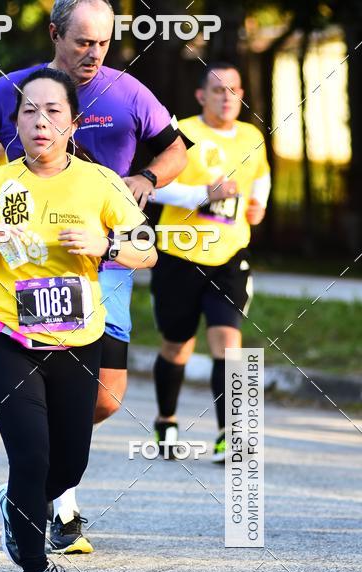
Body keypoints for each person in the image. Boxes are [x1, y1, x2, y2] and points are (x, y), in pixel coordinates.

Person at [0, 0, 188, 553]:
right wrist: (4, 185)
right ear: (56, 34)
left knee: (103, 401)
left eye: (103, 43)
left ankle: (43, 481)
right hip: (25, 269)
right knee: (35, 437)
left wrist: (146, 178)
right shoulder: (18, 87)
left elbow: (175, 151)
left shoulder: (129, 91)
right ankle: (58, 509)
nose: (94, 53)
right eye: (83, 42)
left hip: (103, 262)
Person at [0, 69, 155, 572]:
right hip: (6, 338)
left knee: (70, 466)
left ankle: (17, 506)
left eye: (53, 112)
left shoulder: (101, 183)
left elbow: (146, 251)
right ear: (15, 123)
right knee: (32, 455)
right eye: (29, 111)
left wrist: (106, 245)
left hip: (78, 342)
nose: (41, 122)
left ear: (74, 123)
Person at [149, 62, 270, 463]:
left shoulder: (252, 136)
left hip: (229, 256)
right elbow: (153, 188)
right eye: (218, 90)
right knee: (177, 347)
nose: (226, 97)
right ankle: (166, 420)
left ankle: (229, 436)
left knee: (228, 342)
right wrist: (204, 193)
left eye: (233, 90)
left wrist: (259, 204)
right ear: (202, 95)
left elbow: (262, 175)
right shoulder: (182, 132)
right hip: (179, 255)